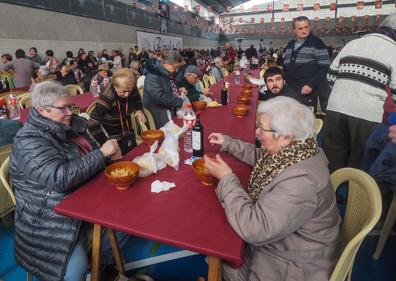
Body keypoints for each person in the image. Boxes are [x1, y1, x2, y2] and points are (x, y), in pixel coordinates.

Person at [204, 96, 341, 281]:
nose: (256, 133)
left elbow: (254, 229)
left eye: (262, 128)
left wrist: (227, 179)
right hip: (293, 242)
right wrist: (228, 143)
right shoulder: (300, 150)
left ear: (285, 137)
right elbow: (263, 158)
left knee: (218, 252)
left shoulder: (300, 182)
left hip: (294, 265)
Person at [10, 81, 125, 281]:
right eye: (63, 108)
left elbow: (89, 158)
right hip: (46, 217)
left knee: (126, 220)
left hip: (82, 199)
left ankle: (99, 263)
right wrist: (100, 155)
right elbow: (59, 179)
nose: (70, 112)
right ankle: (93, 262)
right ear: (41, 110)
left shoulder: (70, 126)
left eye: (70, 106)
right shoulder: (29, 141)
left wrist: (107, 157)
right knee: (74, 271)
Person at [324, 13, 396, 172]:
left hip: (335, 108)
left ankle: (333, 195)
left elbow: (330, 76)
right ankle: (352, 196)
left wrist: (342, 94)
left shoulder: (352, 44)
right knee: (358, 164)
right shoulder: (394, 50)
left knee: (333, 159)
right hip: (366, 114)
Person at [88, 68, 146, 155]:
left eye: (129, 91)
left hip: (128, 132)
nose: (127, 95)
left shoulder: (131, 88)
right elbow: (92, 123)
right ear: (115, 86)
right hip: (112, 137)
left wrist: (139, 109)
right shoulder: (107, 97)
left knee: (134, 156)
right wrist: (106, 143)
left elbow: (137, 98)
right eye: (124, 91)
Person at [283, 16, 331, 108]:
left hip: (308, 90)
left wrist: (310, 85)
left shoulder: (317, 42)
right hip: (291, 90)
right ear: (294, 30)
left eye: (306, 27)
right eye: (300, 28)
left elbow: (324, 67)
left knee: (306, 119)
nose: (304, 30)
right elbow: (285, 66)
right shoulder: (290, 44)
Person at [143, 51, 184, 128]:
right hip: (158, 113)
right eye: (175, 67)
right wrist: (180, 102)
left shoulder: (165, 72)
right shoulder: (153, 75)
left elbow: (168, 87)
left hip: (168, 108)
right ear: (166, 63)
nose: (176, 70)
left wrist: (178, 89)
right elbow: (159, 97)